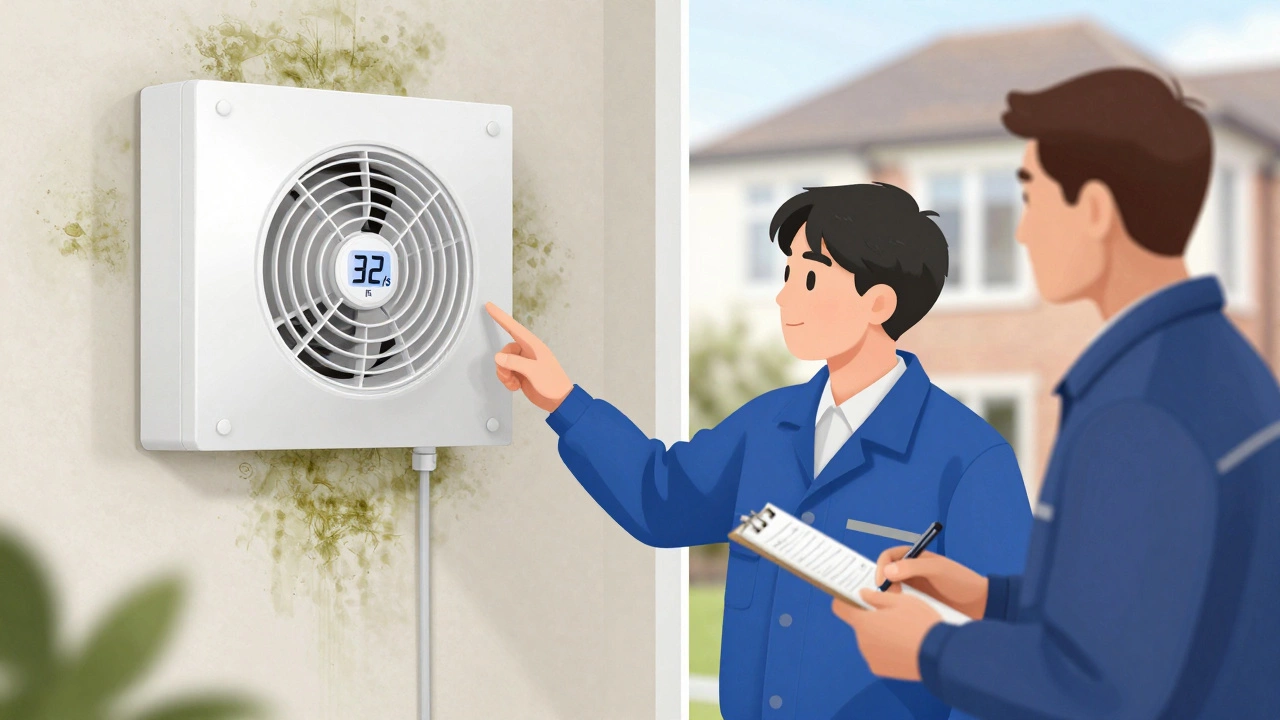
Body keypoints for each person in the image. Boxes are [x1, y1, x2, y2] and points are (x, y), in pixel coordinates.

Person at [485, 181, 1032, 720]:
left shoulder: (970, 462)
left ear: (878, 302)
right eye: (787, 274)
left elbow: (1007, 660)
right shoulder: (765, 427)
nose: (784, 296)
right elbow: (663, 499)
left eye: (809, 277)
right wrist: (565, 402)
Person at [832, 67, 1280, 720]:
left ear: (1094, 210)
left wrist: (928, 649)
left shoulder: (1139, 410)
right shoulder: (1218, 362)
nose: (1020, 232)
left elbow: (1104, 690)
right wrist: (987, 598)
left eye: (1030, 196)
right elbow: (1142, 606)